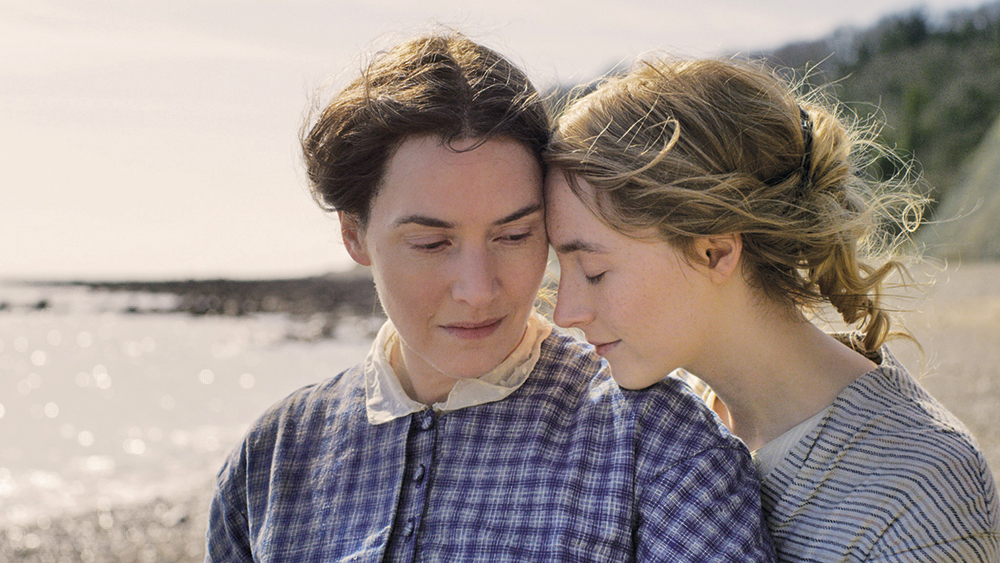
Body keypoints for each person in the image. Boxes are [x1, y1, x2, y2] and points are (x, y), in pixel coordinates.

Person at [205, 33, 775, 562]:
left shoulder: (663, 451)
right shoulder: (274, 460)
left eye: (514, 236)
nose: (479, 291)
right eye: (431, 243)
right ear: (355, 233)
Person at [544, 57, 1000, 562]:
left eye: (593, 272)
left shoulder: (919, 500)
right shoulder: (680, 413)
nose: (565, 312)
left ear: (713, 251)